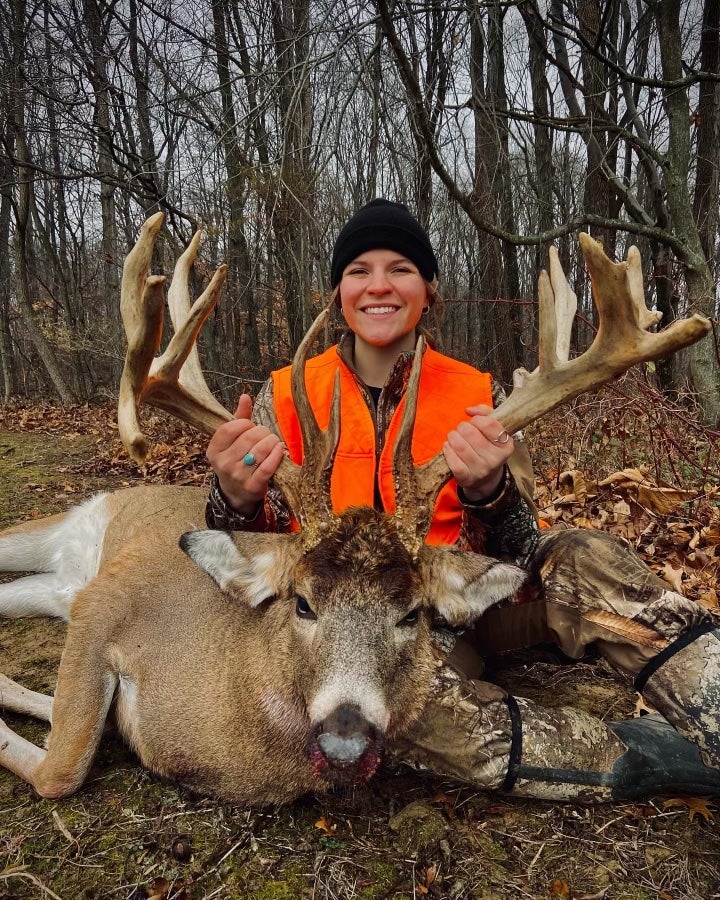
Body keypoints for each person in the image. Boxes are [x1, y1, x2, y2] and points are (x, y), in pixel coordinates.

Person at [205, 199, 720, 801]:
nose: (378, 286)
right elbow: (247, 570)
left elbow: (525, 554)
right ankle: (644, 758)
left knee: (581, 554)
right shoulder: (285, 399)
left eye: (400, 268)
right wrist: (235, 501)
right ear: (337, 292)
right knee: (404, 711)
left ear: (428, 289)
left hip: (462, 590)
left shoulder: (479, 395)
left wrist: (489, 493)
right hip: (355, 639)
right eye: (358, 270)